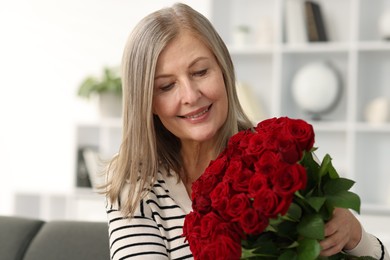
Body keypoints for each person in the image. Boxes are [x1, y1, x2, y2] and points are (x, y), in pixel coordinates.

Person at [104, 3, 389, 260]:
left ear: (224, 70)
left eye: (201, 72)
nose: (190, 95)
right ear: (147, 102)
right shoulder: (135, 184)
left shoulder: (282, 155)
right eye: (166, 86)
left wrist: (356, 238)